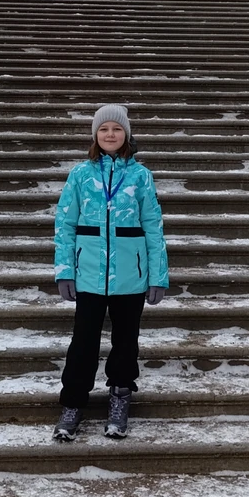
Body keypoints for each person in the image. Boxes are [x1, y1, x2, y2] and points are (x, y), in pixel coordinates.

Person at [52, 103, 169, 441]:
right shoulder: (80, 174)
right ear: (95, 135)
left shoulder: (140, 176)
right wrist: (64, 270)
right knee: (83, 343)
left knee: (125, 341)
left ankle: (120, 396)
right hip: (88, 273)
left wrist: (158, 275)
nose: (110, 134)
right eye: (104, 129)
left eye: (116, 129)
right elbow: (65, 224)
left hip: (130, 276)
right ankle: (73, 404)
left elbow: (153, 226)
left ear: (126, 134)